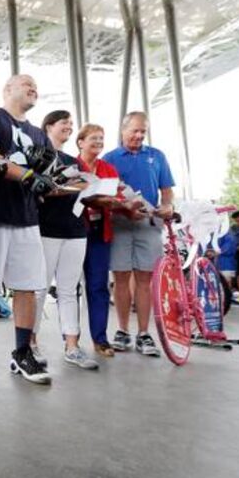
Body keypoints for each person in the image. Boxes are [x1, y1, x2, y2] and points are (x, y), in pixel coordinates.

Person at [0, 74, 52, 384]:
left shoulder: (38, 134)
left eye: (35, 84)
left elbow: (41, 176)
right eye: (26, 83)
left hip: (27, 217)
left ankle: (22, 352)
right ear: (7, 89)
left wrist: (53, 182)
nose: (33, 87)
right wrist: (30, 176)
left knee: (27, 285)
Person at [102, 111, 174, 357]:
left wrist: (168, 206)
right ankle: (122, 331)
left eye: (143, 131)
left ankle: (144, 334)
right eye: (135, 130)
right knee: (121, 277)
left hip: (149, 223)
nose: (139, 135)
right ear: (123, 130)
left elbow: (166, 191)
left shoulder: (157, 156)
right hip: (120, 223)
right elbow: (105, 194)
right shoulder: (109, 158)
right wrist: (124, 208)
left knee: (145, 279)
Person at [33, 111, 98, 370]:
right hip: (46, 229)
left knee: (70, 290)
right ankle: (31, 343)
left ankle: (72, 346)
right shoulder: (37, 154)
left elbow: (84, 188)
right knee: (38, 289)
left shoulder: (74, 160)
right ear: (49, 126)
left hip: (75, 230)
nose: (69, 127)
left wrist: (78, 187)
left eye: (72, 124)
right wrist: (60, 188)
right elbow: (37, 189)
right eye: (64, 123)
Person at [76, 123, 129, 357]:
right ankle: (70, 341)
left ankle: (100, 339)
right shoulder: (71, 165)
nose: (98, 142)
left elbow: (117, 196)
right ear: (80, 142)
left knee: (98, 287)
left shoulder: (108, 168)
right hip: (74, 230)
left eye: (101, 138)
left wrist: (122, 203)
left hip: (99, 233)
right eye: (93, 138)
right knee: (68, 288)